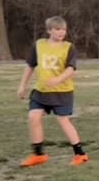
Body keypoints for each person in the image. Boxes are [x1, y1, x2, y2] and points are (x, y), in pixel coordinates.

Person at [16, 16, 89, 167]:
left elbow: (71, 69)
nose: (61, 32)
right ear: (49, 30)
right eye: (57, 29)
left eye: (63, 29)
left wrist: (58, 80)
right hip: (41, 91)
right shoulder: (39, 45)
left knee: (64, 121)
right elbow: (30, 65)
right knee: (34, 117)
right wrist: (22, 85)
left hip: (62, 92)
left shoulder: (69, 47)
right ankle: (39, 155)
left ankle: (80, 154)